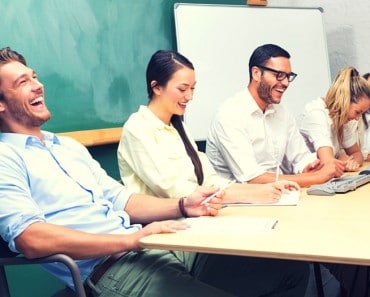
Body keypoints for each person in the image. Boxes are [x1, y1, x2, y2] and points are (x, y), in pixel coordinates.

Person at [0, 47, 309, 297]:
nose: (38, 84)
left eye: (34, 76)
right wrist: (131, 241)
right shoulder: (5, 157)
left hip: (153, 247)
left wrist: (182, 206)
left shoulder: (66, 147)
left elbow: (124, 200)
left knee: (289, 269)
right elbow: (31, 238)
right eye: (22, 82)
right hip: (112, 268)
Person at [117, 49, 300, 207]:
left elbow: (209, 180)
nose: (189, 96)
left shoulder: (178, 127)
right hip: (163, 228)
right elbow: (174, 190)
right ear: (156, 87)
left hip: (196, 216)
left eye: (193, 88)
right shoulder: (137, 128)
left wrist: (266, 188)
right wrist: (251, 194)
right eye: (182, 89)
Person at [205, 43, 343, 188]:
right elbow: (252, 178)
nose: (285, 83)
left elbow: (300, 157)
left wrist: (309, 167)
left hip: (279, 195)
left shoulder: (281, 112)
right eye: (279, 75)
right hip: (238, 203)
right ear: (256, 73)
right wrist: (317, 177)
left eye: (288, 76)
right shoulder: (230, 114)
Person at [298, 67, 370, 172]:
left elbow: (357, 154)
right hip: (305, 180)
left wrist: (351, 162)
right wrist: (341, 158)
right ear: (345, 100)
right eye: (357, 112)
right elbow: (328, 163)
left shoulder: (342, 118)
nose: (357, 118)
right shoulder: (316, 113)